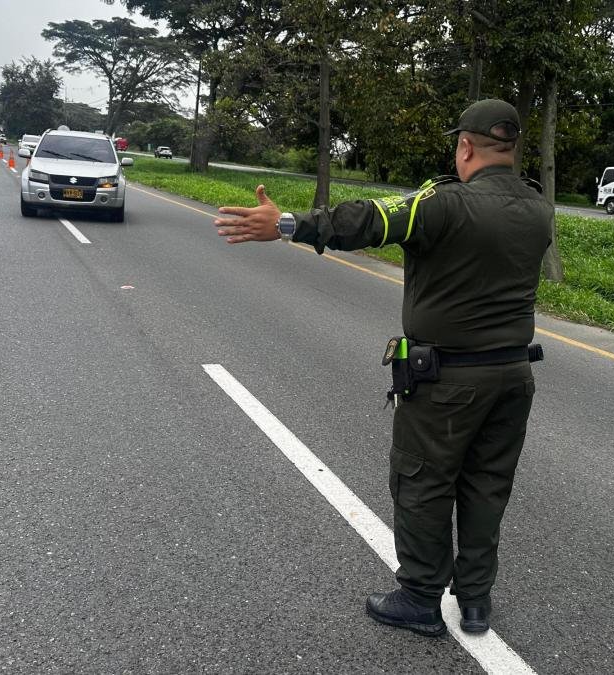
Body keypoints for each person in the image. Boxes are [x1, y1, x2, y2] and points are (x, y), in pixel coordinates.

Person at [213, 99, 553, 637]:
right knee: (488, 486)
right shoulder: (538, 208)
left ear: (465, 146)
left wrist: (285, 224)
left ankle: (420, 599)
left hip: (448, 382)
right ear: (510, 148)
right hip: (513, 377)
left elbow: (370, 220)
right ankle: (476, 601)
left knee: (423, 482)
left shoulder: (445, 204)